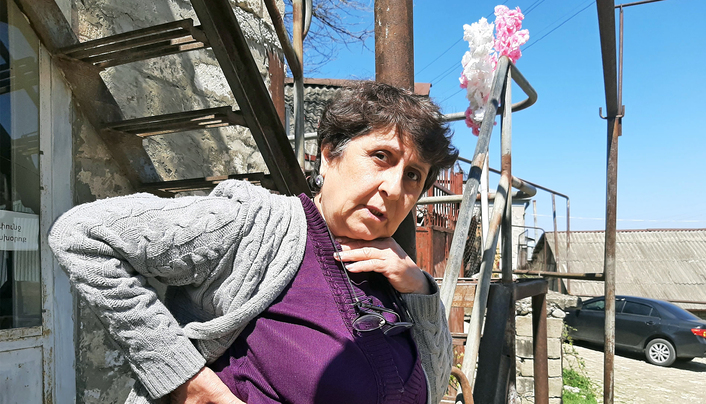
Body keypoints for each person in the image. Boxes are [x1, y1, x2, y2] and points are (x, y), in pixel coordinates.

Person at [49, 82, 458, 404]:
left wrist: (419, 290)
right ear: (329, 155)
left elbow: (435, 386)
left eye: (413, 175)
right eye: (381, 156)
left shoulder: (395, 270)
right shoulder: (254, 224)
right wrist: (185, 380)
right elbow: (82, 234)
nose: (394, 188)